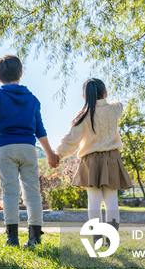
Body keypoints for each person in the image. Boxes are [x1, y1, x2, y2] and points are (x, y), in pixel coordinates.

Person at [0, 55, 58, 247]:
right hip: (28, 148)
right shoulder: (33, 99)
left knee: (10, 192)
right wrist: (50, 153)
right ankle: (35, 238)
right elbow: (40, 129)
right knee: (32, 192)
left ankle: (12, 238)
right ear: (21, 73)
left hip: (5, 147)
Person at [54, 78, 133, 246]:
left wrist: (58, 155)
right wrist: (107, 99)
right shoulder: (114, 110)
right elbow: (119, 103)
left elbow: (71, 141)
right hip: (112, 159)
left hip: (90, 161)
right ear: (105, 94)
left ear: (84, 96)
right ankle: (111, 240)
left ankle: (97, 238)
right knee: (112, 201)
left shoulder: (83, 117)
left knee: (94, 202)